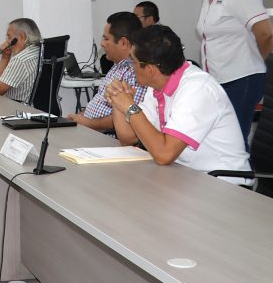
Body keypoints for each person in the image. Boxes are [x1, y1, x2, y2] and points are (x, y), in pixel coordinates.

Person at [105, 25, 252, 184]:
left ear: (150, 70)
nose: (131, 67)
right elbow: (128, 138)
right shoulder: (157, 85)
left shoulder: (197, 90)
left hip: (224, 186)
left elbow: (164, 154)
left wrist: (130, 107)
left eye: (133, 61)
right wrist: (118, 99)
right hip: (186, 178)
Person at [195, 0, 273, 142]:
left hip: (242, 78)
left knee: (234, 140)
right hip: (220, 79)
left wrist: (258, 61)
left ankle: (242, 176)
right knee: (221, 139)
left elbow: (265, 33)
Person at [67, 11, 147, 132]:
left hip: (105, 138)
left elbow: (130, 118)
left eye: (106, 38)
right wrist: (79, 117)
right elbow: (97, 103)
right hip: (88, 130)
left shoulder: (135, 73)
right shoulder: (117, 66)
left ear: (123, 43)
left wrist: (87, 123)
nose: (102, 43)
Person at [0, 18, 41, 103]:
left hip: (17, 112)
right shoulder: (41, 52)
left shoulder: (21, 60)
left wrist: (5, 58)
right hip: (39, 111)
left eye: (9, 37)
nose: (7, 41)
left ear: (22, 37)